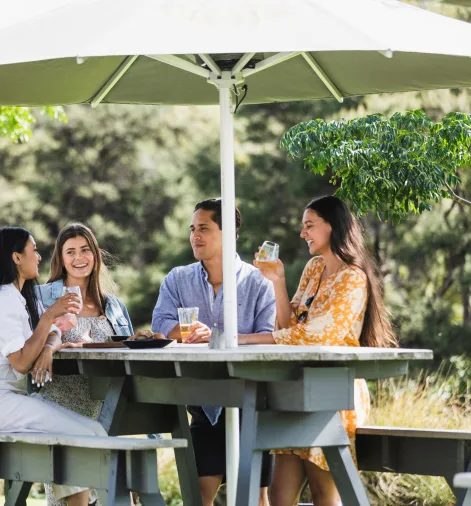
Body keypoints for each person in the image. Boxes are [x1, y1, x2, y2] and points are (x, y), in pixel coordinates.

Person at [237, 195, 398, 506]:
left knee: (324, 493)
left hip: (334, 395)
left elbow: (318, 335)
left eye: (309, 225)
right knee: (280, 495)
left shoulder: (353, 278)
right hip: (298, 391)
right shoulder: (313, 268)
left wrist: (250, 339)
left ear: (332, 227)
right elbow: (289, 326)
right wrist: (277, 281)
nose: (303, 233)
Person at [0, 226, 108, 506]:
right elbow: (23, 361)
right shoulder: (3, 299)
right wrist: (50, 315)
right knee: (87, 433)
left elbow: (44, 337)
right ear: (16, 257)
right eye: (33, 250)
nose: (39, 257)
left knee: (92, 431)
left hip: (4, 400)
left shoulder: (15, 296)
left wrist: (49, 340)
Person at [151, 198, 276, 506]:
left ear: (230, 232)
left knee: (256, 499)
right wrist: (192, 333)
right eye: (193, 229)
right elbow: (161, 322)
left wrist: (217, 336)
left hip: (250, 402)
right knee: (198, 496)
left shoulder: (259, 281)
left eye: (204, 228)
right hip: (204, 402)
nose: (195, 236)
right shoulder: (178, 278)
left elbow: (268, 336)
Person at [32, 223, 134, 506]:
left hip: (106, 410)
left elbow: (126, 350)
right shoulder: (42, 298)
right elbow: (28, 349)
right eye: (71, 252)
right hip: (61, 406)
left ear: (95, 254)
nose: (79, 258)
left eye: (85, 250)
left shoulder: (113, 305)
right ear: (61, 259)